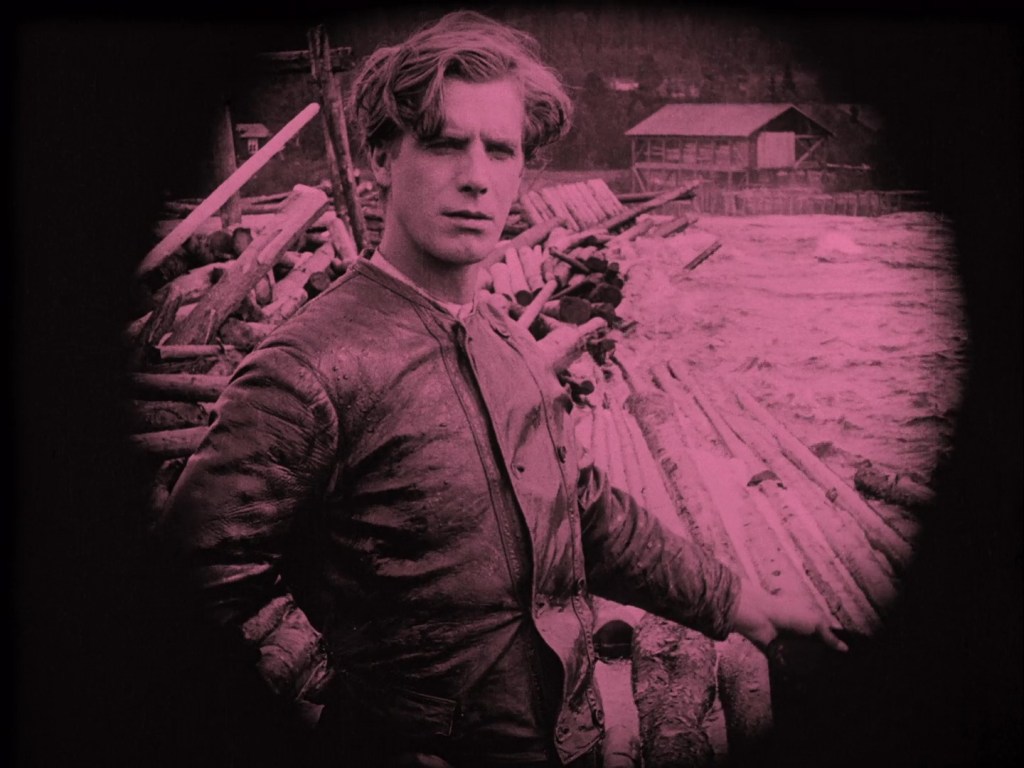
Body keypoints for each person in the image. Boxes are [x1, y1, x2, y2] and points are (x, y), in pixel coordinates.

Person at [160, 11, 845, 768]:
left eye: (501, 149)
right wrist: (340, 720)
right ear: (382, 158)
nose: (477, 177)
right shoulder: (308, 368)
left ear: (523, 168)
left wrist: (746, 607)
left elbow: (586, 516)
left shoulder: (509, 343)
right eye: (445, 143)